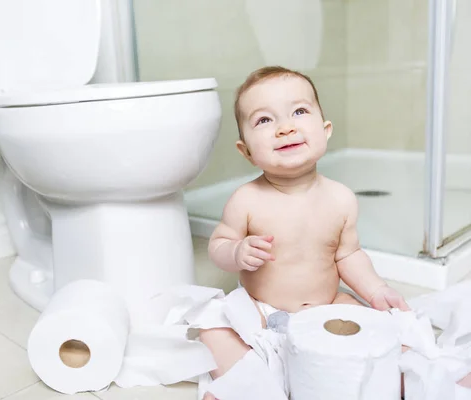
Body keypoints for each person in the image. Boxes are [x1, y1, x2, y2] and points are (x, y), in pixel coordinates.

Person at [200, 66, 471, 399]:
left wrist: (376, 289)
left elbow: (348, 255)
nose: (285, 128)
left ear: (325, 130)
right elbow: (219, 244)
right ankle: (251, 386)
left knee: (385, 333)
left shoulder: (340, 198)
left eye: (299, 111)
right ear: (246, 151)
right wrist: (236, 251)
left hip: (326, 305)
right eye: (264, 120)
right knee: (212, 327)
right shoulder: (246, 199)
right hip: (264, 312)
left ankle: (420, 379)